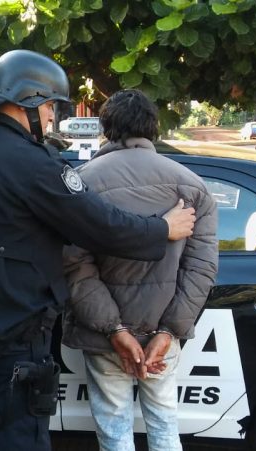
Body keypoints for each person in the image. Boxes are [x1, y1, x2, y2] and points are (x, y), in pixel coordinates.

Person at [0, 50, 197, 451]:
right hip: (7, 336)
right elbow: (100, 226)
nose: (53, 117)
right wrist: (162, 229)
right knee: (18, 441)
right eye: (50, 105)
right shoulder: (33, 165)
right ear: (26, 101)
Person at [62, 89, 218, 451]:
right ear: (154, 128)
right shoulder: (192, 185)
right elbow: (202, 268)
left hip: (105, 337)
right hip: (163, 332)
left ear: (107, 128)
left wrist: (115, 330)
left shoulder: (82, 183)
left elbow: (74, 266)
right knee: (164, 425)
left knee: (114, 430)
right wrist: (168, 332)